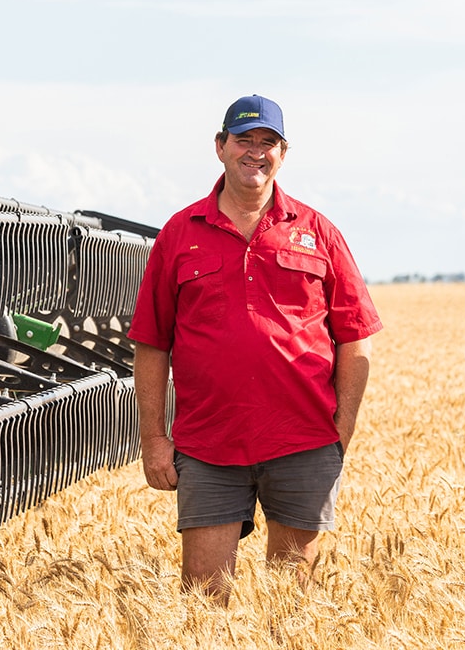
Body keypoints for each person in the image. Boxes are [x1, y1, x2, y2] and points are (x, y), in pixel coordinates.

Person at [128, 94, 382, 604]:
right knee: (204, 601)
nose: (256, 152)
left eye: (269, 142)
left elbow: (355, 338)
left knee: (292, 607)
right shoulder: (181, 233)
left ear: (283, 154)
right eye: (245, 140)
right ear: (220, 147)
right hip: (208, 444)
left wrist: (341, 433)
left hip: (303, 441)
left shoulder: (318, 231)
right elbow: (152, 345)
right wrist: (154, 439)